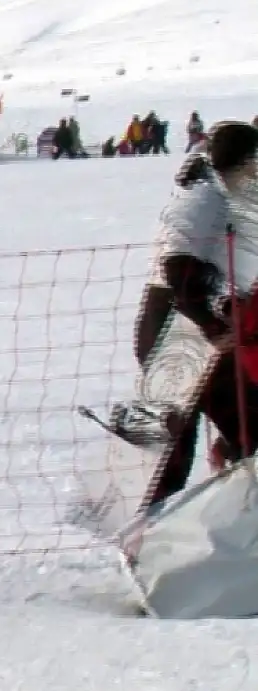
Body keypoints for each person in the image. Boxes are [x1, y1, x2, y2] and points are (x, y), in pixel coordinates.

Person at [144, 122, 258, 506]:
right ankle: (158, 524)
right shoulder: (205, 197)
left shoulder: (219, 193)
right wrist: (210, 325)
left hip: (190, 323)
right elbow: (176, 267)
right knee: (177, 443)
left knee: (232, 427)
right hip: (176, 328)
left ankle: (231, 508)